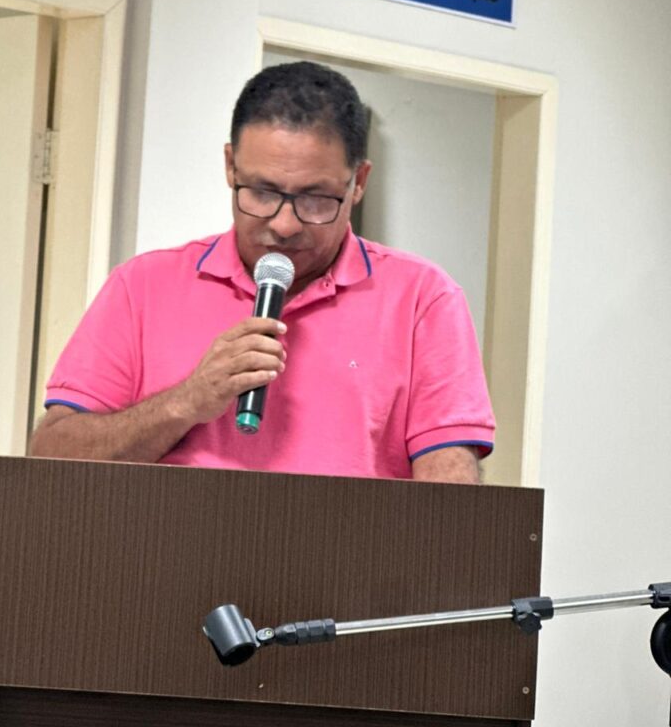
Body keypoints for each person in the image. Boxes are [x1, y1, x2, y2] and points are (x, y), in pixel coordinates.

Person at [30, 61, 494, 483]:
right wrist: (185, 402)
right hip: (167, 550)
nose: (285, 224)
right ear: (231, 167)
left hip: (352, 552)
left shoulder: (423, 298)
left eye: (316, 199)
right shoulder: (142, 286)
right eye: (263, 192)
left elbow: (448, 499)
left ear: (359, 183)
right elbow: (50, 459)